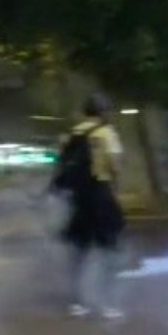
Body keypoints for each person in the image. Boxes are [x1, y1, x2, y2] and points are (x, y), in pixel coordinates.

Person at [50, 93, 126, 319]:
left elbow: (61, 164)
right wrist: (116, 185)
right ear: (103, 112)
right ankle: (108, 304)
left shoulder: (73, 133)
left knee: (79, 251)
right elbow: (115, 165)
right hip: (100, 194)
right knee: (110, 249)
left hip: (78, 198)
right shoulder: (106, 133)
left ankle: (77, 302)